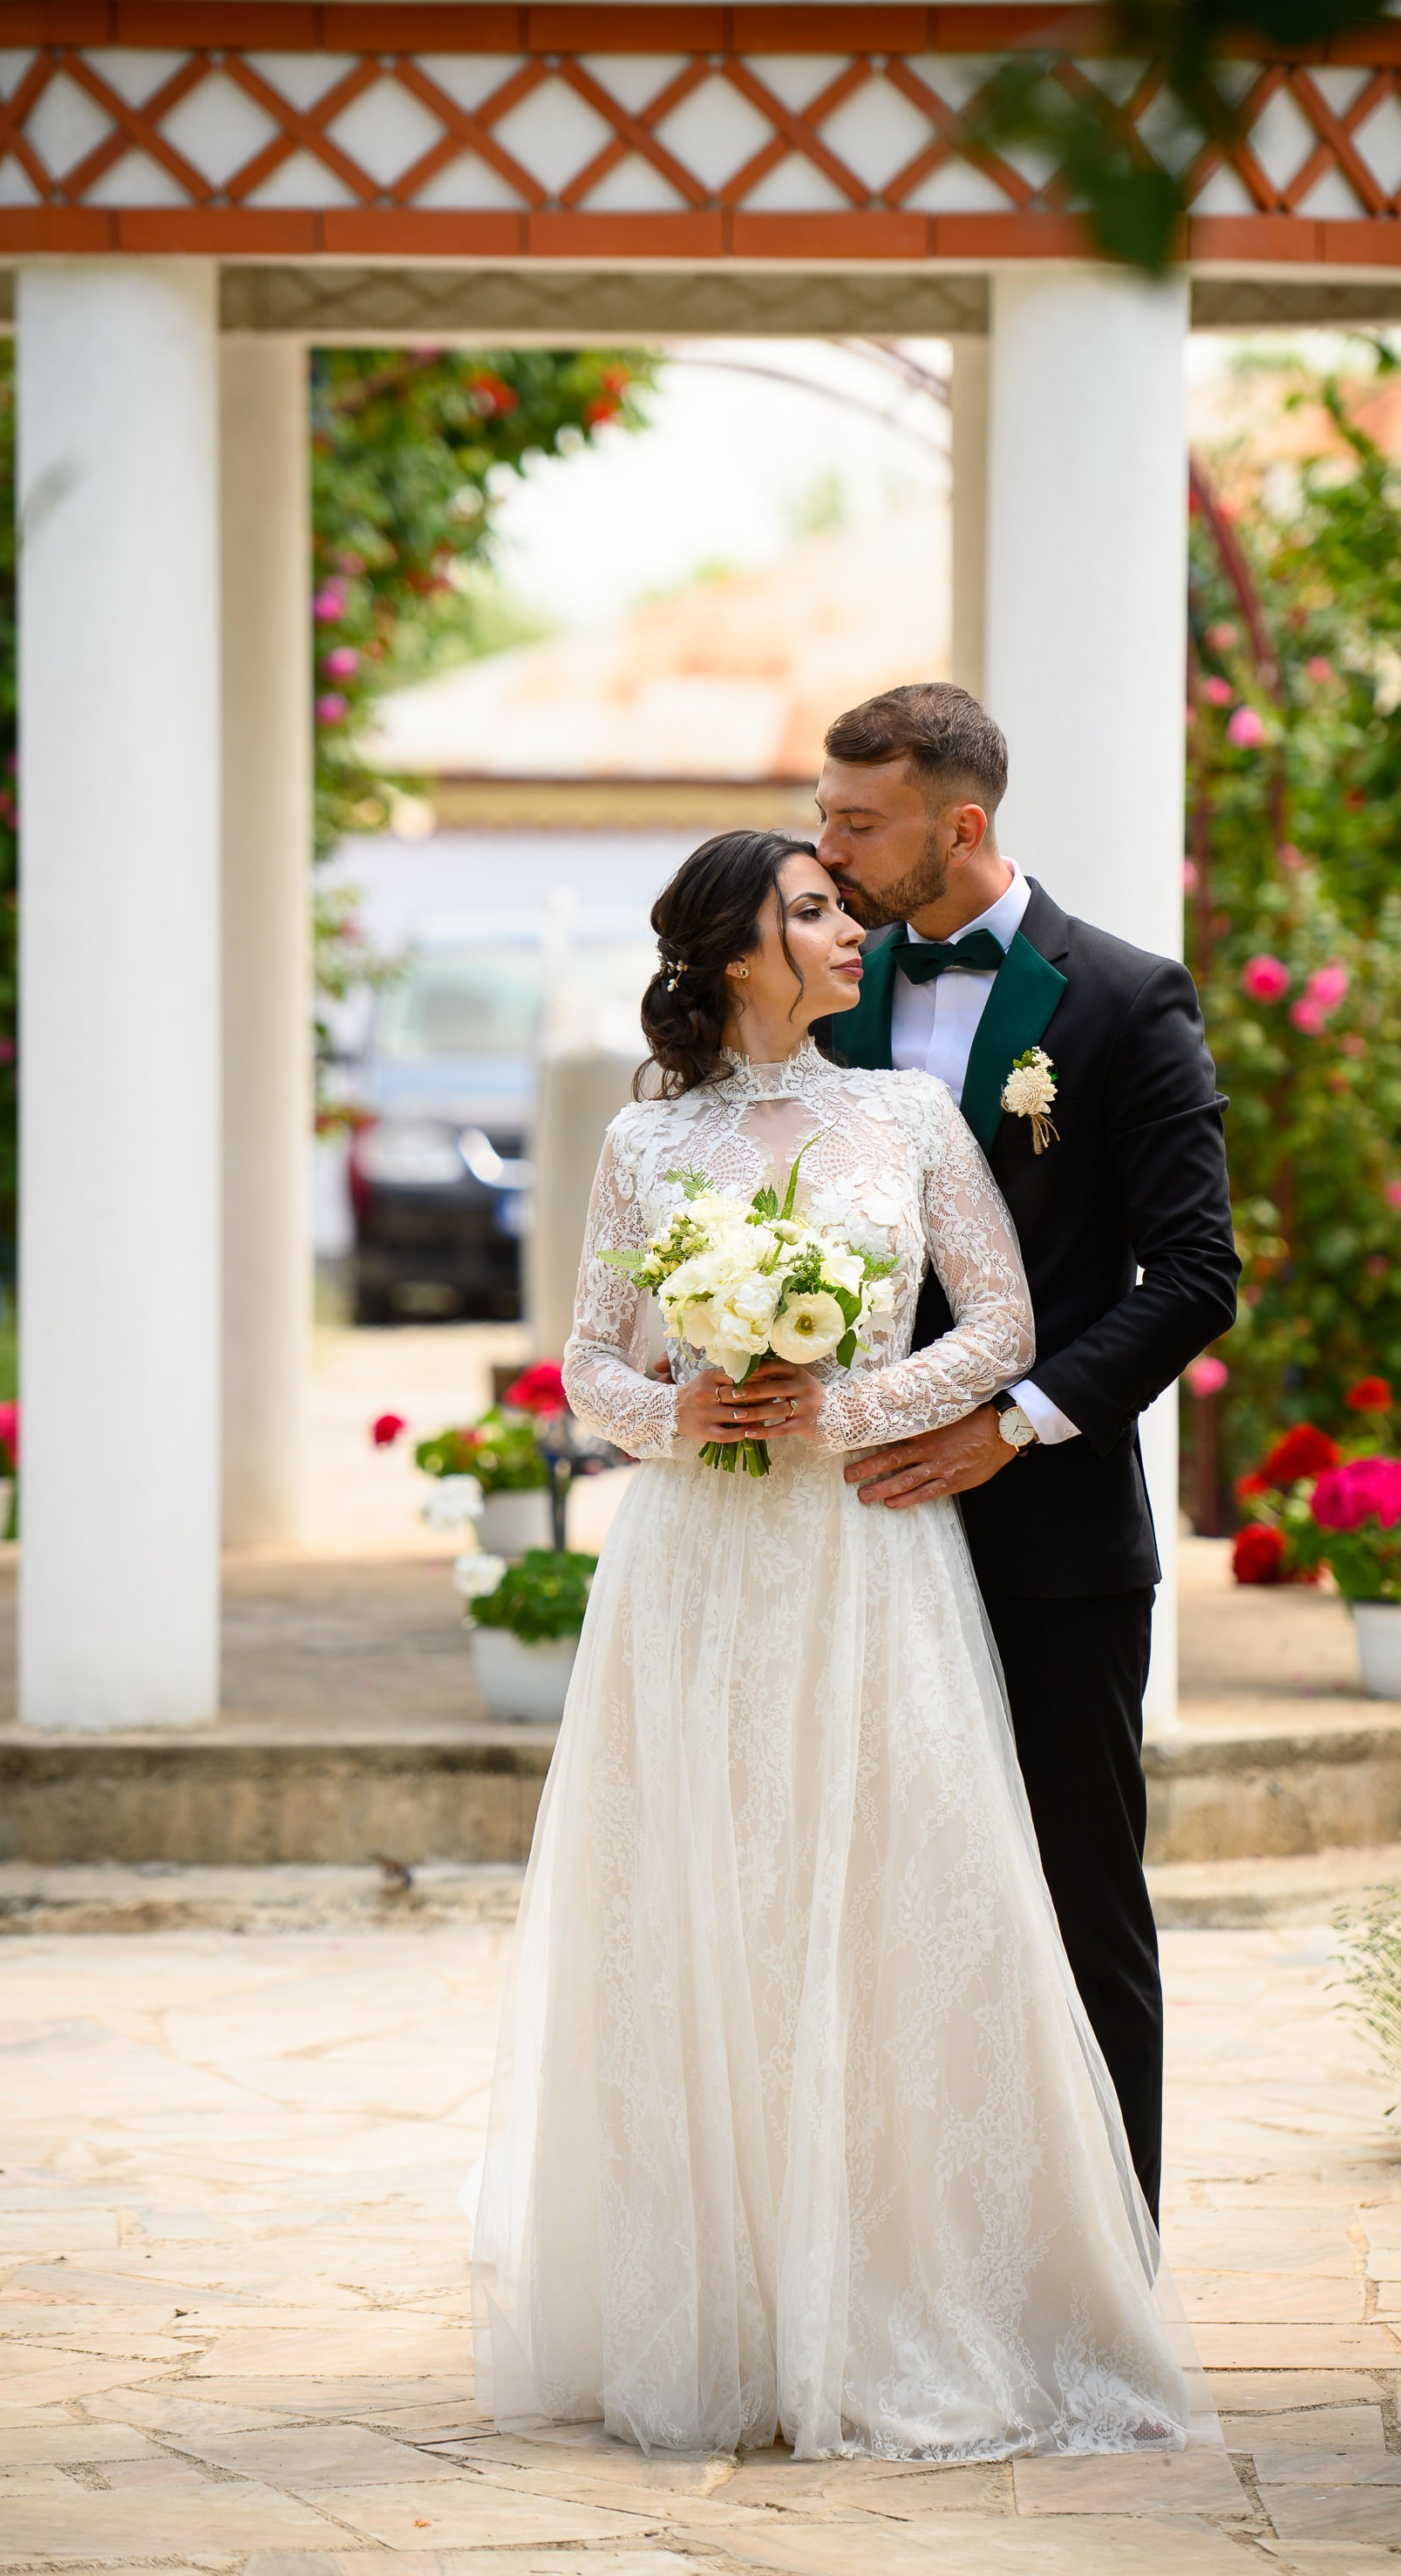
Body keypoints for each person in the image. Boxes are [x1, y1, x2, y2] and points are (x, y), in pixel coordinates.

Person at [472, 826, 1194, 2462]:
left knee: (878, 1900)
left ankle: (893, 2298)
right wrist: (685, 1410)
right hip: (694, 1572)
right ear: (737, 951)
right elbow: (587, 1362)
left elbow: (1004, 1324)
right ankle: (719, 2315)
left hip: (869, 1554)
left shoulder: (909, 1115)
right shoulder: (646, 1147)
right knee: (707, 1903)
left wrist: (843, 1411)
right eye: (812, 909)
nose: (848, 924)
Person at [814, 682, 1241, 2223]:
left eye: (859, 823)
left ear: (961, 822)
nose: (832, 850)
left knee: (1078, 1904)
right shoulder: (816, 991)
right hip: (842, 1527)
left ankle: (1102, 2270)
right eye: (825, 817)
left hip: (1049, 1536)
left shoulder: (1123, 1000)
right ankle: (892, 2251)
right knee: (865, 1902)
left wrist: (1013, 1427)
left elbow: (1196, 1275)